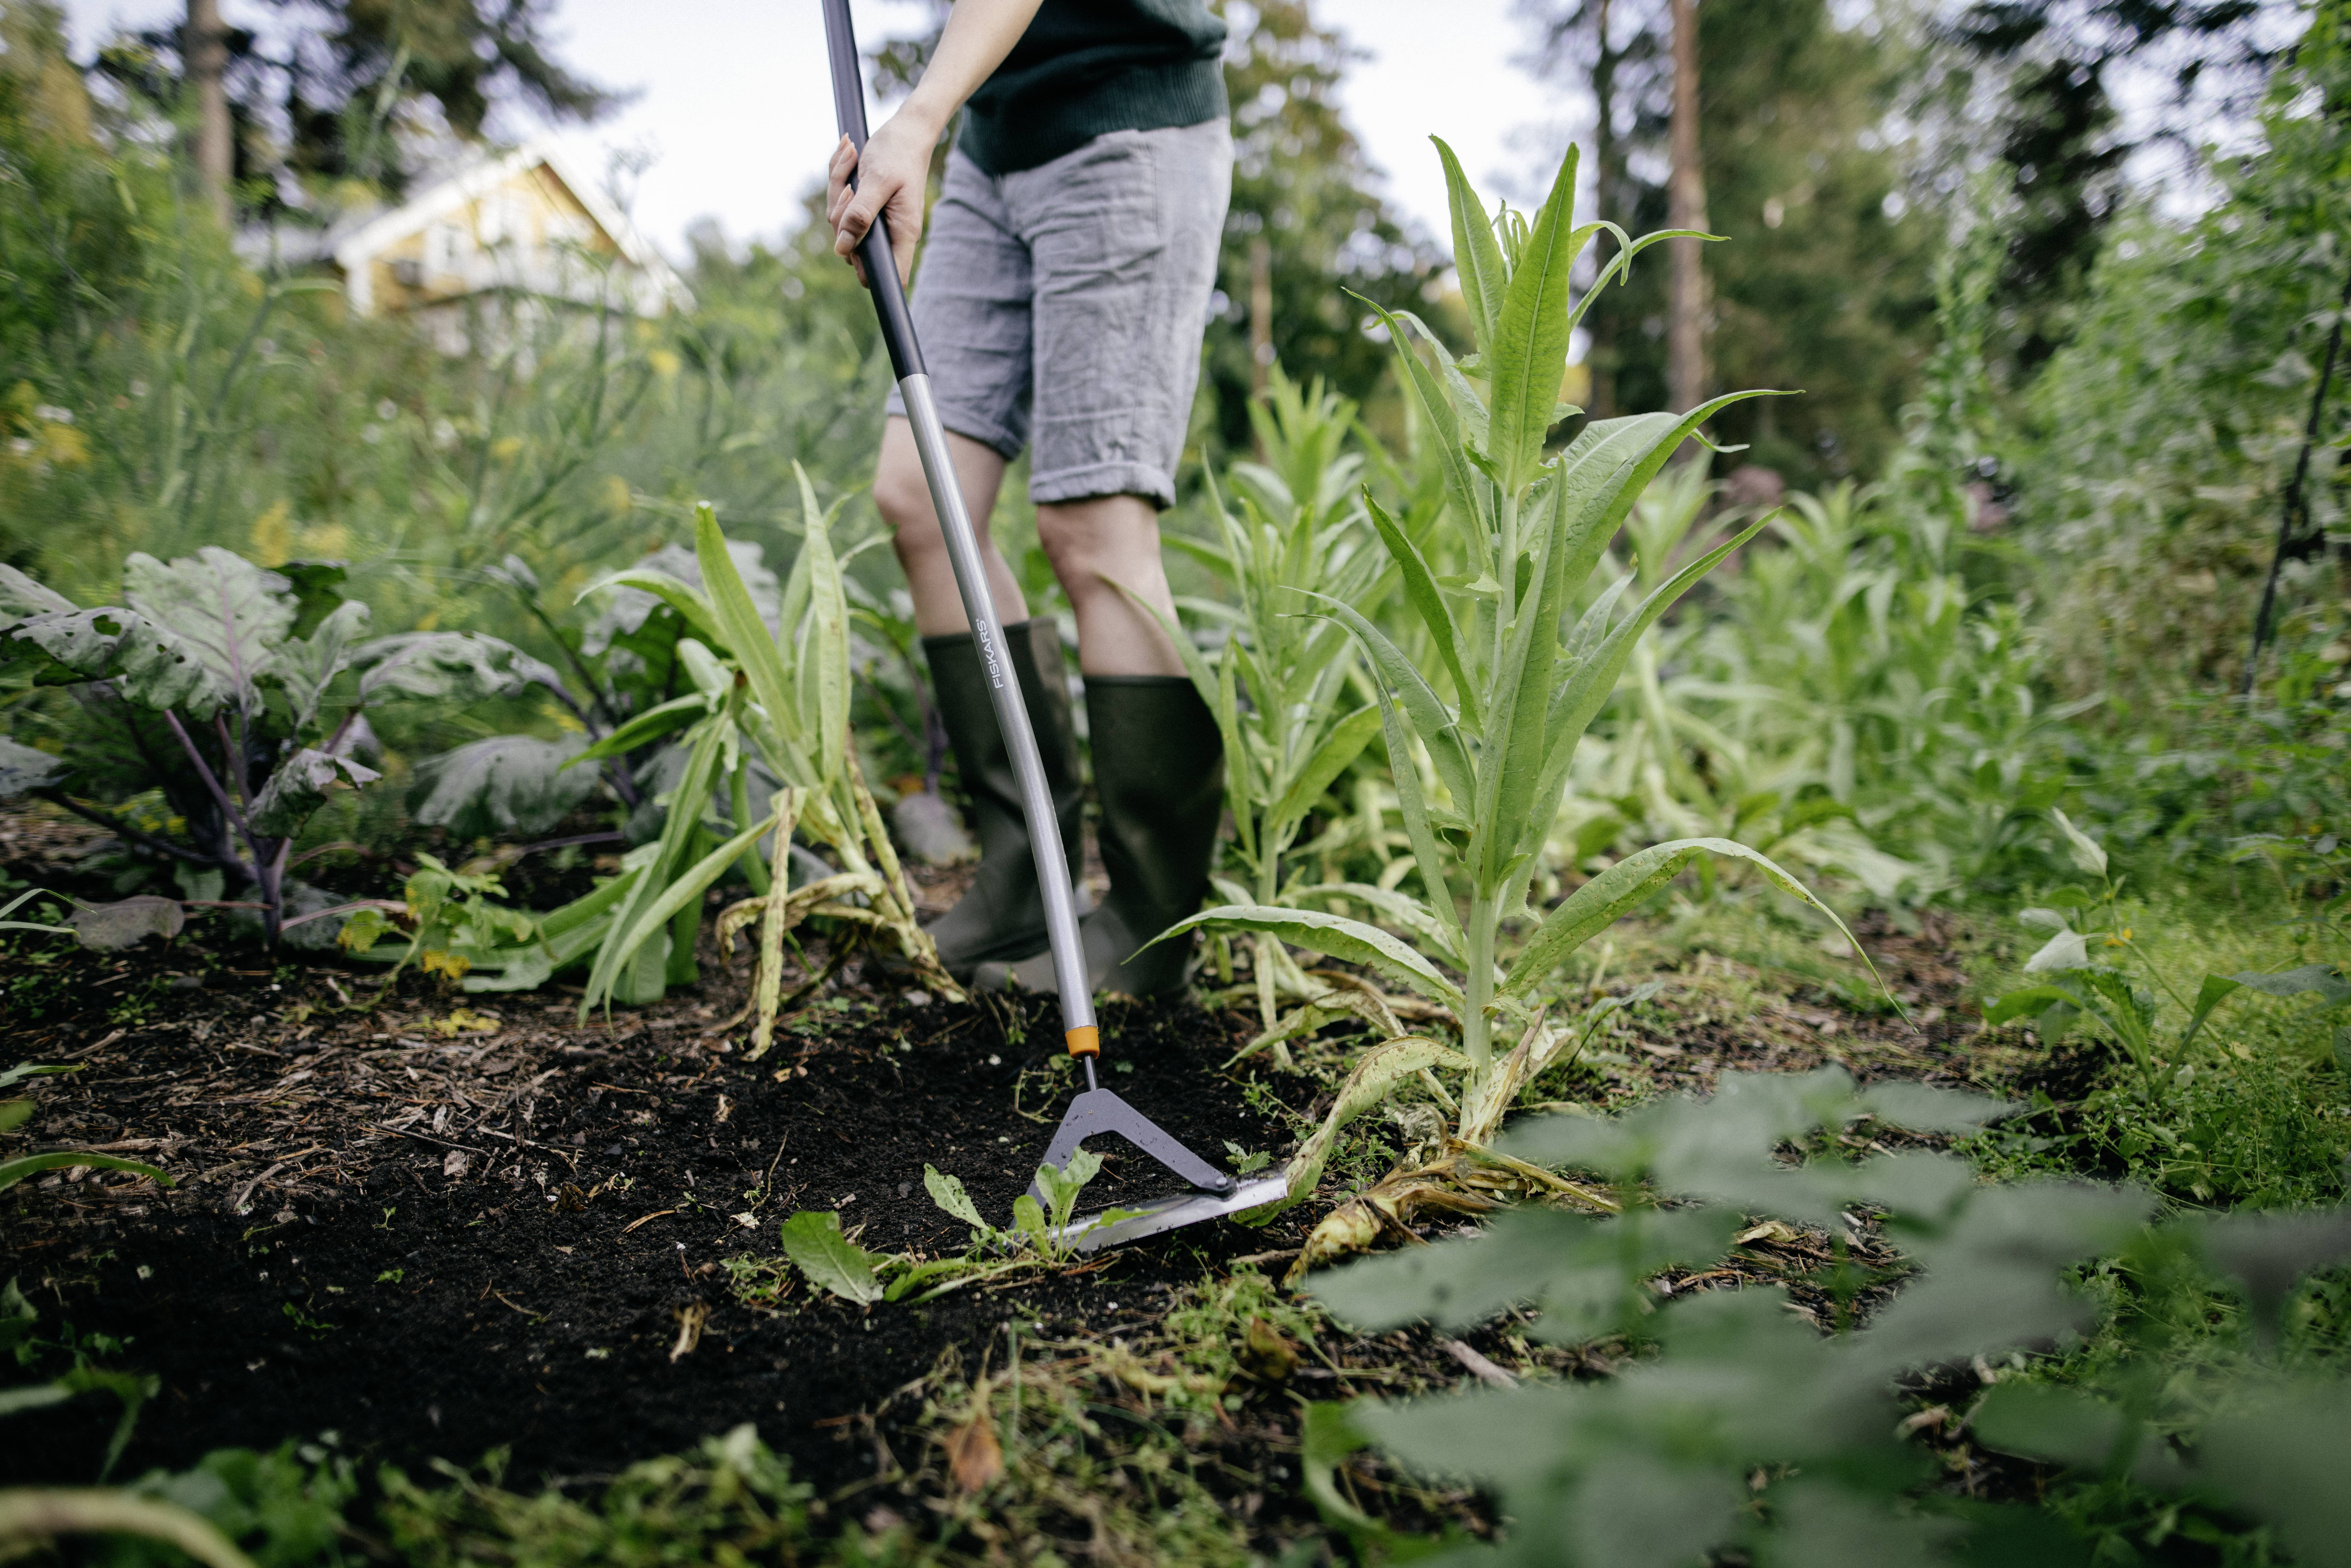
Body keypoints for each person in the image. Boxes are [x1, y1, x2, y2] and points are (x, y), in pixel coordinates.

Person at [827, 0, 1231, 1000]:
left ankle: (1148, 923)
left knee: (1095, 530)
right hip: (994, 148)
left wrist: (914, 121)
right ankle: (1024, 877)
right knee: (922, 495)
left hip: (1124, 129)